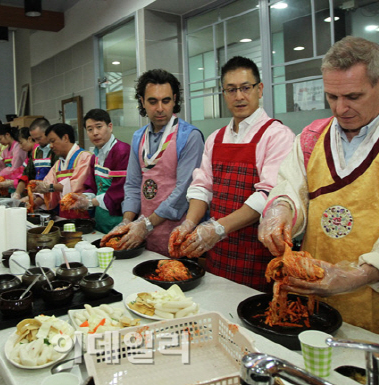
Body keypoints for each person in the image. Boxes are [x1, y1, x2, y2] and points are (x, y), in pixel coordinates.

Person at [258, 36, 379, 341]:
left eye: (353, 96)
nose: (341, 108)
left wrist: (358, 275)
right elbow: (289, 185)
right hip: (315, 302)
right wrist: (280, 209)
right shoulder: (310, 138)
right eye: (331, 97)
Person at [168, 57, 295, 292]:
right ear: (223, 94)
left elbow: (268, 195)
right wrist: (189, 223)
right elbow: (202, 186)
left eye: (246, 88)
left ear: (260, 89)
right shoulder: (215, 138)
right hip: (218, 252)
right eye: (231, 90)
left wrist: (217, 229)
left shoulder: (277, 135)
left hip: (257, 253)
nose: (239, 96)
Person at [101, 69, 205, 256]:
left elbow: (183, 192)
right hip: (142, 236)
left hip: (177, 234)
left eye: (166, 100)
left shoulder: (189, 137)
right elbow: (132, 185)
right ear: (142, 102)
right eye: (152, 101)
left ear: (174, 99)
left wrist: (146, 223)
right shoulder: (138, 137)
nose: (159, 108)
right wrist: (127, 222)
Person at [68, 109, 130, 233]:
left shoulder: (122, 151)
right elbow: (92, 185)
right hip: (100, 220)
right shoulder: (94, 156)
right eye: (90, 129)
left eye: (99, 127)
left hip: (119, 219)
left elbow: (121, 191)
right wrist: (84, 197)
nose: (95, 133)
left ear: (110, 127)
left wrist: (91, 201)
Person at [31, 123, 94, 219]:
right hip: (64, 214)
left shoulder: (85, 157)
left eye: (53, 141)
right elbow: (48, 184)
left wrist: (50, 187)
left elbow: (76, 186)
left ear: (65, 138)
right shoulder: (58, 164)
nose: (51, 146)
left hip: (83, 215)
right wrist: (33, 202)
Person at [12, 118, 58, 199]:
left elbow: (56, 179)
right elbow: (27, 174)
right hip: (37, 196)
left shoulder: (56, 151)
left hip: (52, 196)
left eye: (39, 138)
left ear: (48, 133)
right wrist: (17, 193)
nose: (36, 142)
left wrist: (37, 197)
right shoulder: (36, 151)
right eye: (34, 139)